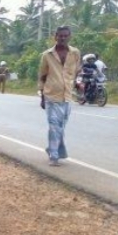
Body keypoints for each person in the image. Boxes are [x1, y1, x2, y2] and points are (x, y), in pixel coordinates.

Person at [39, 26, 81, 167]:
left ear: (69, 37)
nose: (62, 38)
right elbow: (42, 76)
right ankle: (54, 155)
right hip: (51, 95)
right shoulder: (47, 55)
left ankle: (54, 149)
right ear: (55, 36)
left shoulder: (75, 53)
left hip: (67, 96)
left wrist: (78, 84)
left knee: (61, 127)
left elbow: (76, 72)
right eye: (60, 36)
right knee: (54, 126)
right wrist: (42, 97)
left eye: (65, 36)